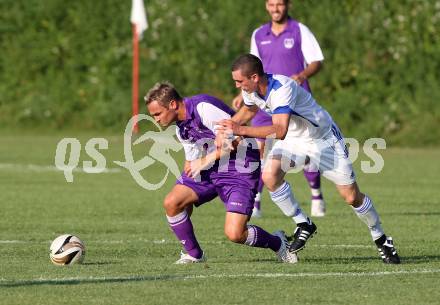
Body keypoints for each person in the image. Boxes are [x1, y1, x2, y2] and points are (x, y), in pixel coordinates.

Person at [217, 54, 400, 264]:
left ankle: (381, 238)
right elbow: (248, 110)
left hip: (322, 139)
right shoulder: (250, 90)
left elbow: (279, 130)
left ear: (255, 77)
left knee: (351, 197)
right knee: (270, 176)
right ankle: (304, 223)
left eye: (240, 81)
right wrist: (225, 129)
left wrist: (240, 130)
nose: (237, 85)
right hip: (295, 138)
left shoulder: (281, 88)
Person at [144, 81, 298, 264]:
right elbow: (191, 161)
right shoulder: (181, 127)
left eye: (157, 114)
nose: (156, 120)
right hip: (212, 167)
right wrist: (182, 208)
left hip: (241, 167)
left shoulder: (203, 108)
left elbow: (235, 140)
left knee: (235, 234)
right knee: (172, 202)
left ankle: (278, 242)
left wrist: (203, 161)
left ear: (172, 104)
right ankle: (194, 254)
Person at [232, 0, 326, 217]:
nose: (275, 8)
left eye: (280, 4)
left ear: (288, 5)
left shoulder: (299, 30)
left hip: (294, 101)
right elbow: (250, 69)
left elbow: (316, 61)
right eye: (271, 4)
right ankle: (255, 201)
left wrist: (302, 75)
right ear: (266, 6)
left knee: (306, 150)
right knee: (260, 149)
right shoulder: (259, 34)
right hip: (265, 100)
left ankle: (316, 194)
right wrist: (243, 93)